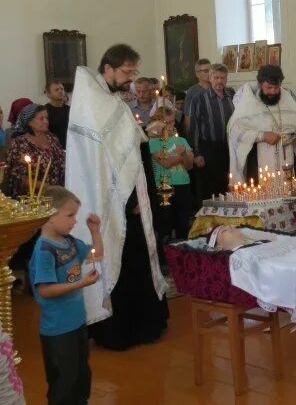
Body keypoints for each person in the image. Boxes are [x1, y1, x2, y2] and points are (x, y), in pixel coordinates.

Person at [66, 43, 168, 350]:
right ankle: (120, 329)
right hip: (112, 200)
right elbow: (106, 161)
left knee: (136, 256)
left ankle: (145, 322)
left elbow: (125, 148)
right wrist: (131, 199)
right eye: (126, 72)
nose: (131, 79)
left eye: (134, 72)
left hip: (129, 194)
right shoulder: (94, 104)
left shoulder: (109, 99)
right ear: (108, 68)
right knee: (118, 255)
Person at [29, 186, 103, 405]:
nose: (74, 221)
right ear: (50, 216)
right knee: (63, 383)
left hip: (77, 323)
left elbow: (97, 254)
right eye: (70, 215)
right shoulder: (44, 250)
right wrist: (81, 283)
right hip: (58, 330)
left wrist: (95, 231)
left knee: (81, 376)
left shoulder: (68, 242)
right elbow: (45, 290)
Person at [227, 65, 296, 184]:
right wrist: (262, 136)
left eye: (276, 87)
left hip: (288, 162)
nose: (273, 92)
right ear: (260, 84)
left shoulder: (287, 99)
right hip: (259, 164)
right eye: (269, 87)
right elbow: (235, 132)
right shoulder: (249, 102)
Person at [147, 107, 194, 246]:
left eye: (172, 122)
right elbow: (165, 162)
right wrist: (182, 155)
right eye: (166, 123)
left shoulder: (181, 140)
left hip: (183, 184)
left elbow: (190, 165)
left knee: (183, 221)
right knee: (165, 222)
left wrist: (185, 154)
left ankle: (182, 249)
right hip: (163, 185)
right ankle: (164, 255)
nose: (170, 125)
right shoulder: (154, 141)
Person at [188, 63, 235, 200]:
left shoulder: (232, 96)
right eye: (216, 77)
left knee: (227, 183)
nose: (219, 81)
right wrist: (196, 153)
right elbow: (194, 126)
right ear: (210, 78)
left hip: (228, 147)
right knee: (209, 187)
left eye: (222, 78)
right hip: (208, 148)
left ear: (226, 79)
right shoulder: (200, 98)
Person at [3, 103, 66, 199]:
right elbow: (17, 177)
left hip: (58, 196)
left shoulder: (52, 139)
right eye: (41, 118)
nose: (46, 121)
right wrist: (46, 187)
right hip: (32, 199)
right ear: (29, 122)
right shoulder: (19, 144)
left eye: (47, 118)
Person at [45, 82, 70, 148]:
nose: (60, 91)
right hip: (53, 148)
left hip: (70, 148)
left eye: (62, 89)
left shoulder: (70, 110)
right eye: (56, 90)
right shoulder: (44, 111)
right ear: (48, 94)